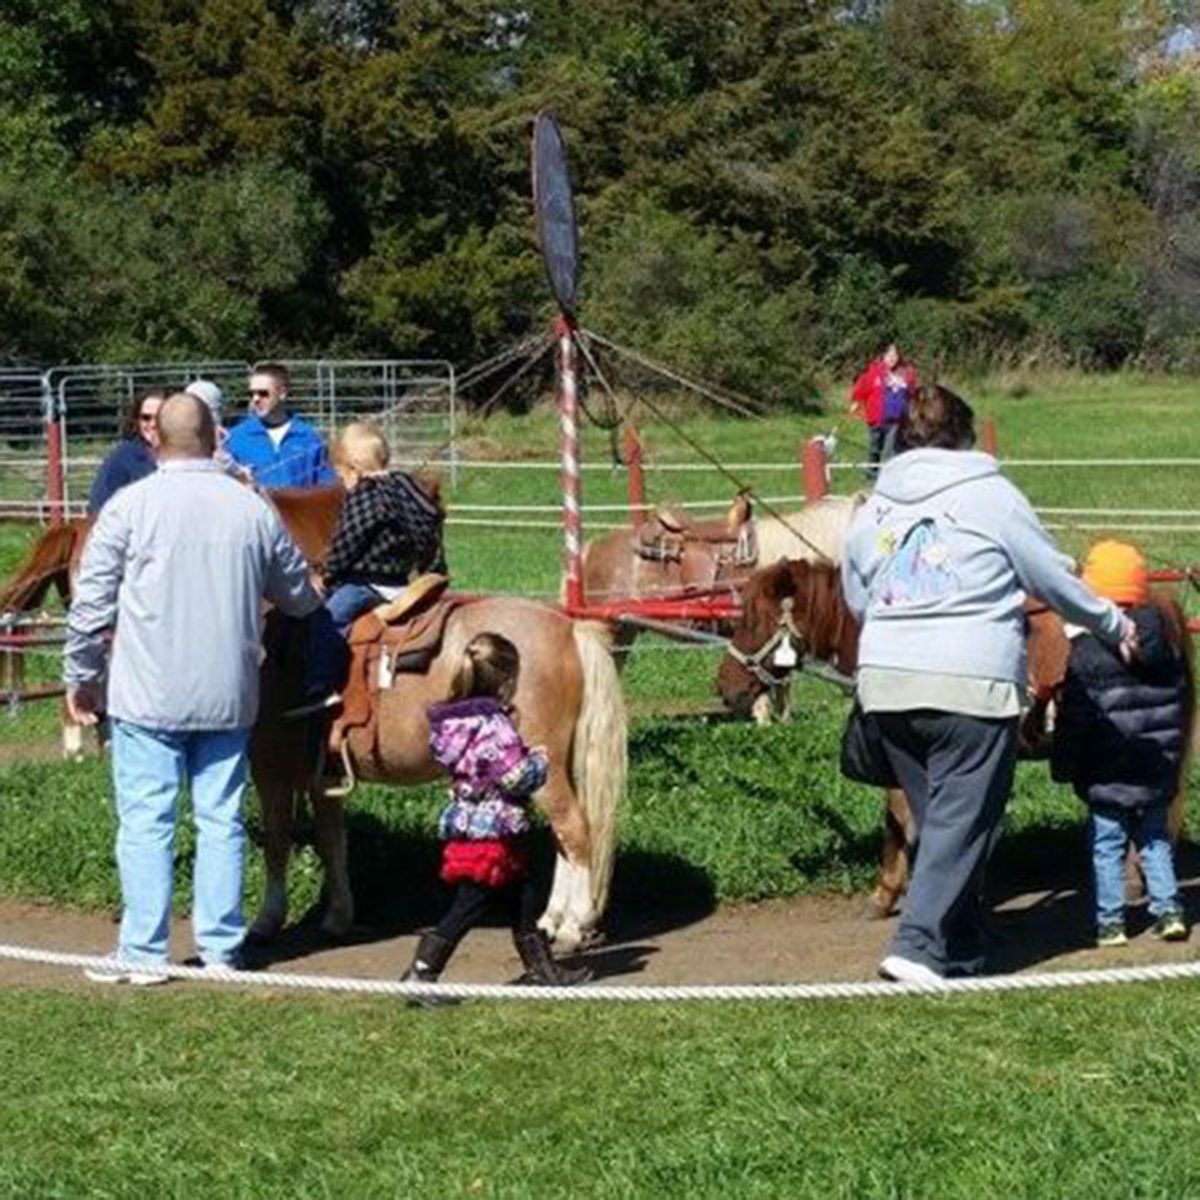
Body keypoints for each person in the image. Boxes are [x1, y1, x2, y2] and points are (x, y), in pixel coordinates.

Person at [841, 384, 1137, 982]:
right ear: (965, 437)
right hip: (969, 681)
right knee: (966, 819)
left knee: (945, 822)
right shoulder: (991, 496)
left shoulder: (872, 507)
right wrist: (1112, 622)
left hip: (887, 684)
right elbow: (1050, 576)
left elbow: (856, 595)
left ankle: (964, 943)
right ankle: (919, 944)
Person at [64, 392, 322, 985]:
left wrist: (82, 677)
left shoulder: (129, 508)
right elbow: (298, 596)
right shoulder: (253, 510)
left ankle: (144, 951)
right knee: (222, 818)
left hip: (146, 693)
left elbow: (90, 607)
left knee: (148, 820)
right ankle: (221, 948)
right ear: (215, 437)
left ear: (157, 439)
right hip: (229, 691)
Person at [400, 633, 591, 997]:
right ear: (506, 682)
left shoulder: (454, 725)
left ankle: (540, 967)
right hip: (494, 830)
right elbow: (514, 777)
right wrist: (538, 762)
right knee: (470, 905)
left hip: (471, 823)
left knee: (524, 893)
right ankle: (421, 971)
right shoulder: (495, 726)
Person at [1051, 540, 1190, 947]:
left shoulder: (1087, 654)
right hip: (1154, 771)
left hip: (1106, 773)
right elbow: (1177, 710)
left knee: (1107, 846)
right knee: (1155, 840)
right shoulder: (1168, 646)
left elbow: (1076, 720)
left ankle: (1110, 921)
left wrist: (1064, 765)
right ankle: (1169, 911)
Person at [290, 422, 446, 716]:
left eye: (341, 476)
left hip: (366, 583)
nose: (342, 483)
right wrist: (432, 567)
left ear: (354, 468)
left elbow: (350, 538)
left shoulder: (365, 493)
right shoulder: (406, 486)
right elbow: (430, 524)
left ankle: (319, 686)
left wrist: (329, 572)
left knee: (327, 620)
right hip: (403, 582)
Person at [223, 362, 337, 489]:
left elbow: (325, 486)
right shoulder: (235, 438)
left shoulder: (308, 438)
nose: (255, 399)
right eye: (251, 394)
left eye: (263, 393)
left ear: (282, 393)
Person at [87, 389, 166, 514]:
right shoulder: (121, 459)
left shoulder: (185, 456)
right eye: (146, 418)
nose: (153, 424)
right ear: (137, 420)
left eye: (160, 417)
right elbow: (99, 507)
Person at [850, 342, 918, 481]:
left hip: (896, 420)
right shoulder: (873, 371)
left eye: (895, 355)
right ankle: (871, 474)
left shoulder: (906, 373)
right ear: (883, 356)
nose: (892, 358)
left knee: (890, 450)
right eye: (889, 354)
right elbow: (862, 388)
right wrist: (856, 401)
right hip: (877, 418)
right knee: (875, 447)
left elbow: (912, 393)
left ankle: (888, 479)